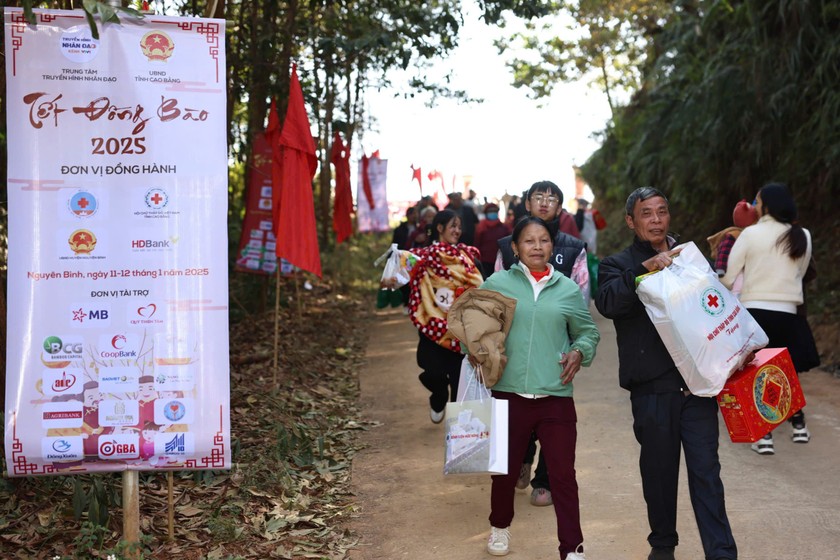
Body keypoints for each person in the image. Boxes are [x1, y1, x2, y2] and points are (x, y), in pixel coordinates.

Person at [594, 186, 738, 560]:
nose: (656, 220)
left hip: (698, 387)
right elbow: (608, 303)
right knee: (659, 474)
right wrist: (643, 271)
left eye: (662, 212)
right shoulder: (618, 264)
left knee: (707, 471)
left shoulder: (689, 258)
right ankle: (663, 546)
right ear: (631, 221)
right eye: (647, 213)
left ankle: (721, 552)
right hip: (652, 388)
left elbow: (716, 308)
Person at [477, 216, 599, 559]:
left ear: (552, 246)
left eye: (544, 240)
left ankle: (572, 547)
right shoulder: (497, 283)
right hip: (508, 392)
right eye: (529, 241)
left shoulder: (567, 289)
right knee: (504, 471)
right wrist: (476, 349)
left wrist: (580, 351)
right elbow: (473, 329)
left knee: (562, 475)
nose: (537, 247)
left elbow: (587, 332)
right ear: (515, 248)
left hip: (555, 396)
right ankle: (499, 528)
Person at [496, 180, 589, 507]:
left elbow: (582, 297)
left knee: (554, 415)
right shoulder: (507, 245)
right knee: (520, 411)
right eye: (539, 196)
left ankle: (544, 481)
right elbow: (493, 299)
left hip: (556, 346)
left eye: (553, 198)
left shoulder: (574, 247)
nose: (546, 202)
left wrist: (576, 343)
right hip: (516, 348)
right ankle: (522, 459)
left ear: (561, 207)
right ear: (527, 203)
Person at [720, 183, 819, 455]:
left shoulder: (750, 234)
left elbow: (728, 278)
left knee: (757, 372)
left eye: (758, 201)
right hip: (789, 313)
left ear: (765, 207)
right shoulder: (804, 236)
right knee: (785, 369)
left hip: (756, 312)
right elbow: (799, 274)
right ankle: (799, 426)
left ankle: (764, 438)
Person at [408, 209, 483, 423]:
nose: (458, 231)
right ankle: (438, 395)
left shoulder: (467, 258)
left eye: (459, 227)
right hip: (433, 327)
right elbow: (405, 277)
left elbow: (481, 286)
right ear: (440, 228)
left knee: (460, 381)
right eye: (453, 226)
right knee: (432, 372)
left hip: (460, 331)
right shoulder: (424, 257)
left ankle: (458, 430)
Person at [474, 202, 511, 278]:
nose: (492, 213)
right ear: (486, 213)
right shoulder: (481, 227)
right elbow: (477, 244)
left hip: (501, 261)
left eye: (494, 211)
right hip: (485, 261)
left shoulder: (504, 227)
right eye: (490, 211)